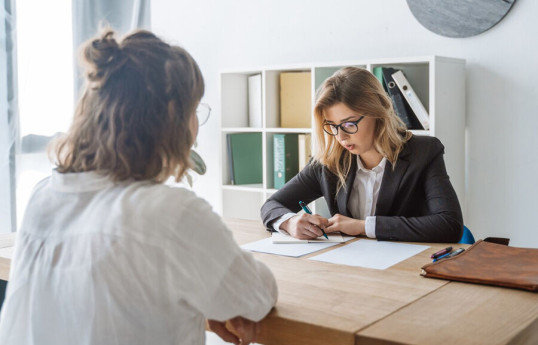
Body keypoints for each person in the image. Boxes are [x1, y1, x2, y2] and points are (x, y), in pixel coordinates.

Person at [0, 29, 277, 345]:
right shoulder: (171, 213)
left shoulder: (44, 195)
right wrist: (210, 295)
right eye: (194, 109)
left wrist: (207, 296)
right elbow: (254, 295)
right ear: (171, 115)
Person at [261, 67, 463, 243]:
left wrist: (362, 226)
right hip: (351, 269)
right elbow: (272, 205)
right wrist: (290, 222)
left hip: (406, 271)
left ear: (378, 113)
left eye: (349, 124)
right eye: (332, 126)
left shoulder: (424, 152)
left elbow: (449, 225)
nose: (340, 136)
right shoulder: (328, 161)